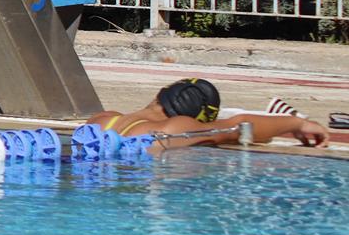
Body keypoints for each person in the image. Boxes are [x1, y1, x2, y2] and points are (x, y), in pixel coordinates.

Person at [87, 78, 330, 151]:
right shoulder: (174, 128)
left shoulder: (101, 119)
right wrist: (297, 122)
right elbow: (239, 127)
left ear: (157, 96)